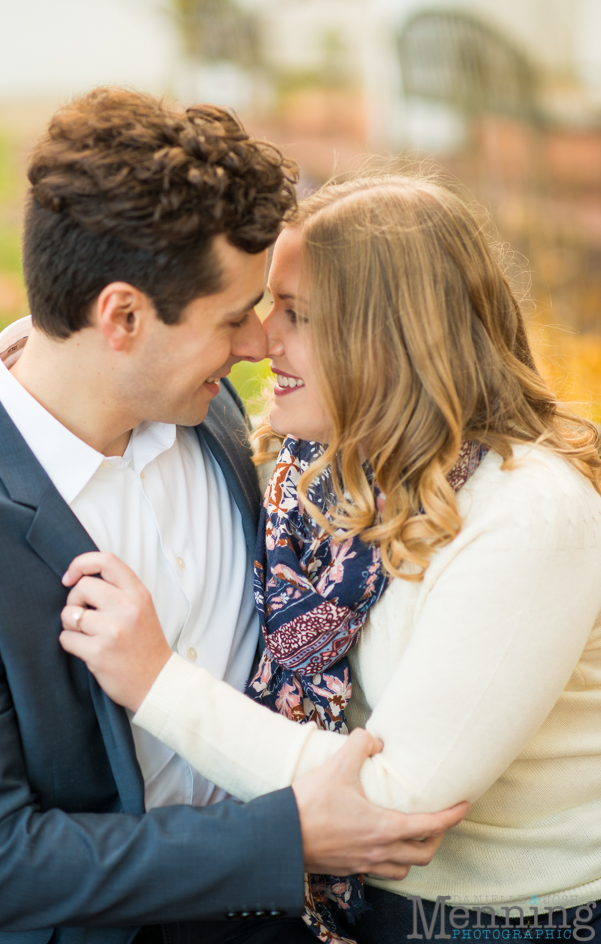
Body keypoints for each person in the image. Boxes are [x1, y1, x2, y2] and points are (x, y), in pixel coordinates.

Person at [0, 94, 467, 944]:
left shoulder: (212, 418)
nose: (259, 343)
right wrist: (282, 837)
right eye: (232, 317)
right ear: (123, 316)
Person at [59, 174, 601, 944]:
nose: (259, 338)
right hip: (361, 908)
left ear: (394, 336)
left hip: (514, 921)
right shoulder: (315, 473)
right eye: (267, 305)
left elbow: (390, 801)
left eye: (297, 314)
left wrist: (156, 683)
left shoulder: (527, 516)